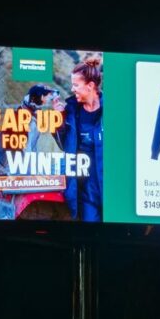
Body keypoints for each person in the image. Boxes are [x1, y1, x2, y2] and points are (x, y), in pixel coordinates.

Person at [52, 57, 103, 221]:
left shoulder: (114, 109)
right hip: (86, 192)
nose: (72, 89)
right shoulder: (72, 111)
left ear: (90, 86)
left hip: (112, 188)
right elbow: (63, 144)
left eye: (76, 85)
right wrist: (59, 119)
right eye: (72, 84)